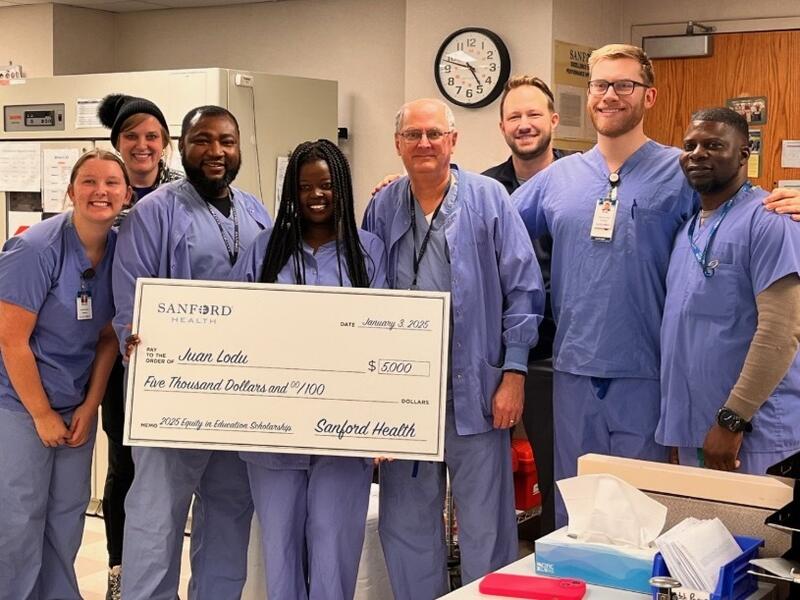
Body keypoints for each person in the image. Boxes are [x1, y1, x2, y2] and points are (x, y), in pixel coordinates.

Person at [513, 43, 800, 527]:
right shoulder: (558, 177)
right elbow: (487, 222)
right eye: (600, 85)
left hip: (650, 377)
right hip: (575, 371)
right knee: (576, 516)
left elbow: (750, 212)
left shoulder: (683, 170)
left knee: (648, 520)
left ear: (649, 96)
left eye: (625, 84)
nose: (610, 95)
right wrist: (418, 185)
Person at [363, 98, 544, 599]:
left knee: (486, 526)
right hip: (406, 398)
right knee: (405, 523)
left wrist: (513, 375)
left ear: (453, 140)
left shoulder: (489, 199)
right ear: (398, 144)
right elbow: (364, 299)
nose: (425, 143)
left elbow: (524, 291)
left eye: (434, 134)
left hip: (479, 391)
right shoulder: (382, 205)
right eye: (413, 135)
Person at [113, 105, 272, 600]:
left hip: (237, 400)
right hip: (172, 400)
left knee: (229, 516)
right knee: (157, 519)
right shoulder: (153, 213)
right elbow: (130, 305)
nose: (216, 152)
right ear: (182, 147)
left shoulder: (257, 213)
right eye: (203, 140)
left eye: (227, 141)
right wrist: (135, 337)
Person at [232, 139, 386, 600]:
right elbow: (232, 328)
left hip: (345, 435)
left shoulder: (369, 253)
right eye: (304, 187)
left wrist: (387, 424)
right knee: (278, 549)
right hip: (274, 434)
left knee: (334, 546)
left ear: (342, 187)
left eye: (326, 185)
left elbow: (388, 340)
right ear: (290, 194)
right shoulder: (264, 252)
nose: (316, 195)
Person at [0, 150, 129, 600]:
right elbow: (11, 342)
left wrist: (90, 406)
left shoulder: (121, 251)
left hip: (76, 402)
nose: (101, 191)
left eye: (112, 183)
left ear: (126, 193)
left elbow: (109, 338)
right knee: (18, 518)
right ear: (71, 191)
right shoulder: (35, 248)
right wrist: (40, 414)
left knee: (66, 516)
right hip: (18, 405)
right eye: (89, 182)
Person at [658, 107, 800, 474]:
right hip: (697, 433)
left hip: (753, 435)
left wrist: (732, 420)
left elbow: (781, 333)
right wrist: (680, 429)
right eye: (689, 145)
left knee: (754, 533)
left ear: (743, 154)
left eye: (714, 144)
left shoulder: (770, 220)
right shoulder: (687, 231)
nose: (697, 154)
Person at [97, 93, 183, 600]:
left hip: (173, 352)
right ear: (117, 143)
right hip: (117, 352)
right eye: (131, 136)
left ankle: (160, 576)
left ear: (165, 143)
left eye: (152, 135)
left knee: (167, 470)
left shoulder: (182, 195)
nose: (142, 144)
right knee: (124, 464)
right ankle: (120, 571)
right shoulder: (105, 192)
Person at [482, 75, 565, 536]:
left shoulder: (584, 178)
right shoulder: (482, 189)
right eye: (514, 116)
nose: (525, 124)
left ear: (553, 120)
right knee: (490, 478)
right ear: (502, 127)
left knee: (561, 476)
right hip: (502, 357)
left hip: (562, 357)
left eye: (534, 114)